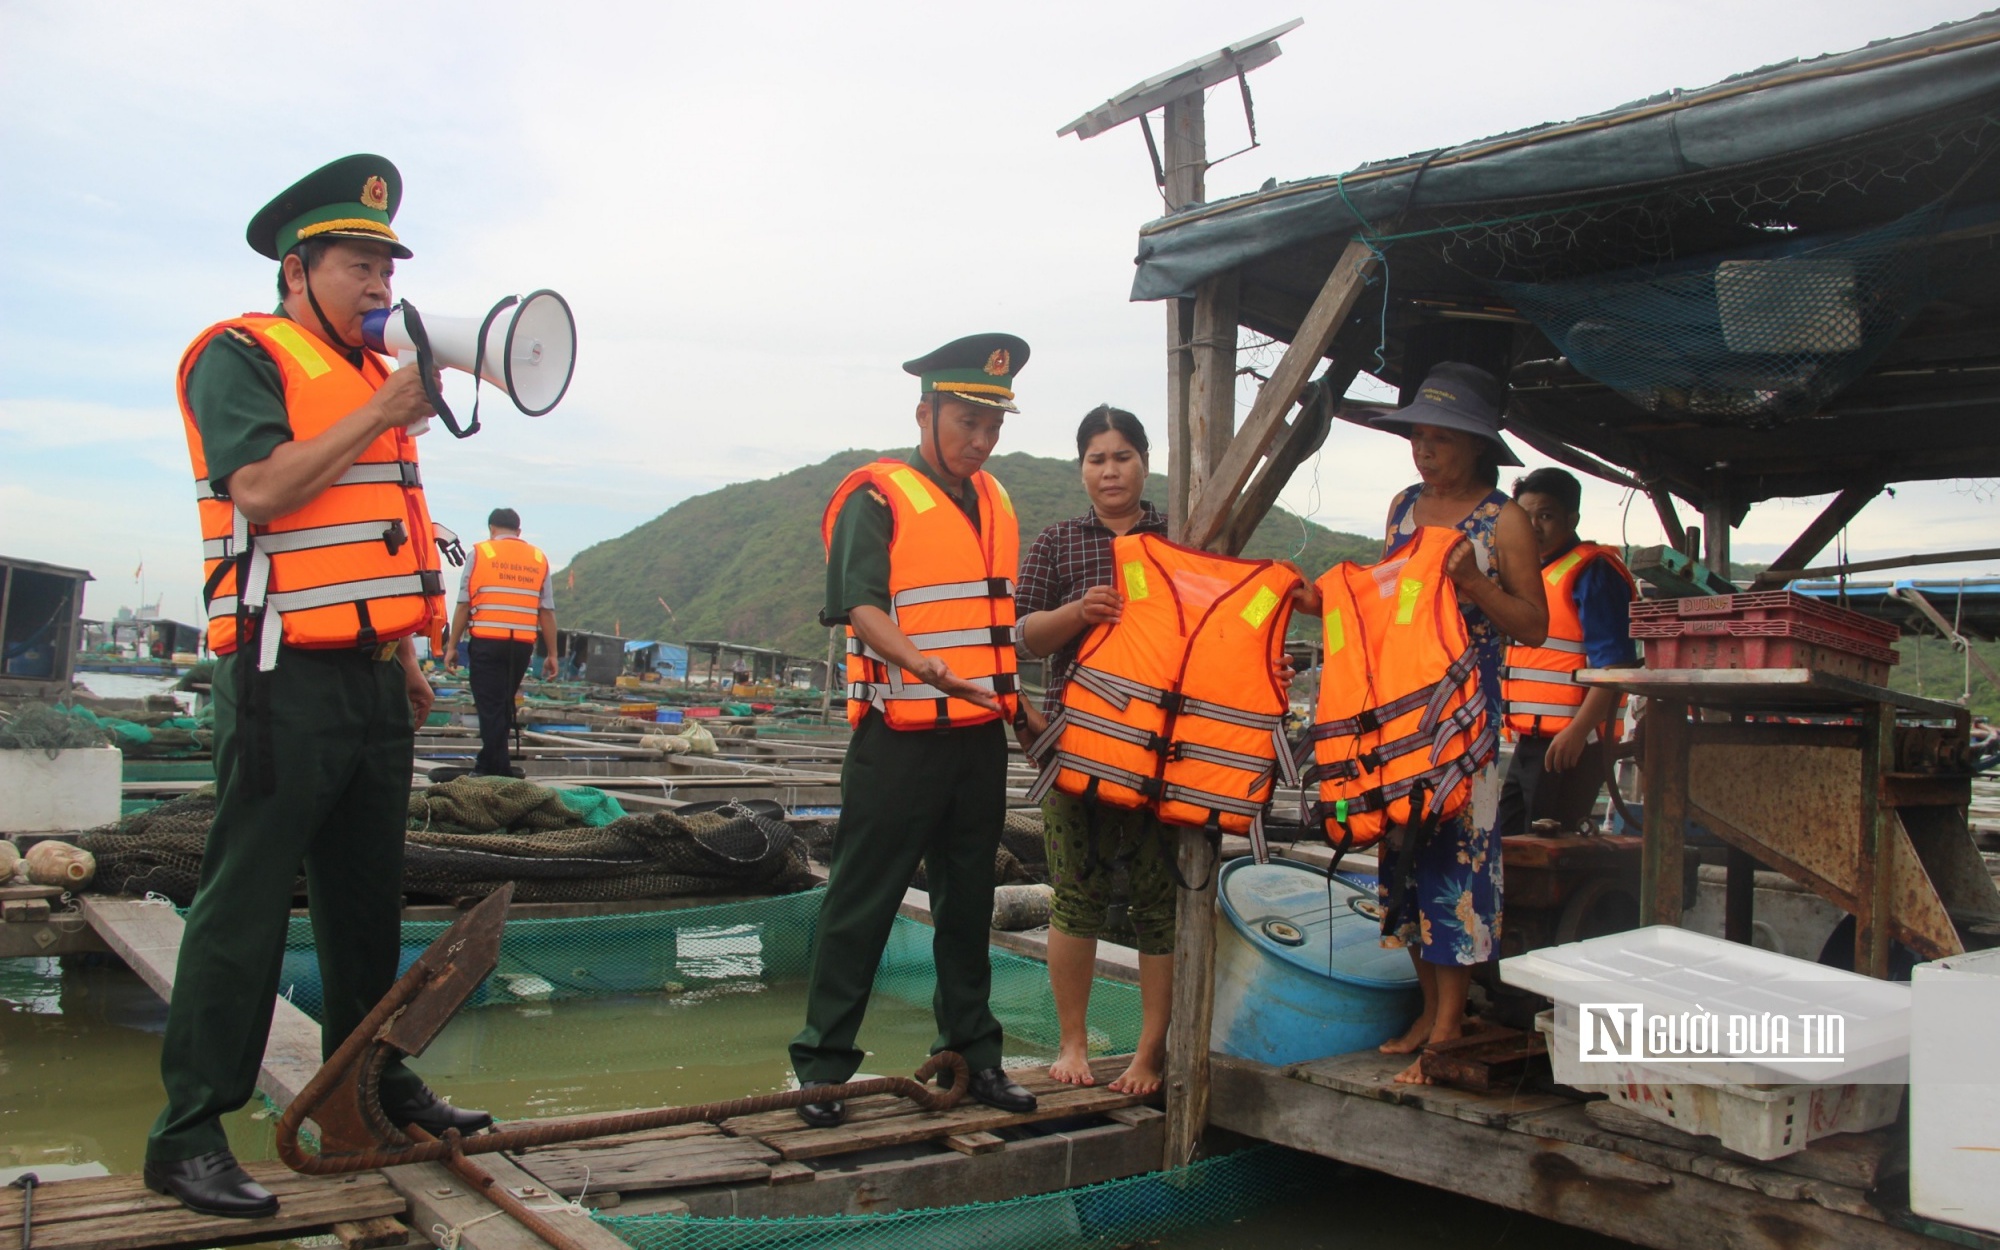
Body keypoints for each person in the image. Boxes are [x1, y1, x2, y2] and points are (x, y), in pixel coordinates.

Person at [150, 155, 490, 1218]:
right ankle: (189, 1130)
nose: (379, 283)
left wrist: (403, 653)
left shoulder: (364, 378)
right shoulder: (241, 354)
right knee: (245, 902)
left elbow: (369, 540)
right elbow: (259, 491)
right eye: (358, 263)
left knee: (361, 904)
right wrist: (383, 403)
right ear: (299, 270)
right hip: (276, 672)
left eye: (387, 264)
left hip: (370, 680)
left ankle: (370, 1087)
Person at [790, 333, 1040, 1127]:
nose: (982, 440)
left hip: (978, 740)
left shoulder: (997, 500)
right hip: (898, 736)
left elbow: (995, 627)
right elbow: (860, 607)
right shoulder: (876, 498)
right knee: (863, 901)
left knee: (968, 904)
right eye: (967, 421)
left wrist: (1021, 707)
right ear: (926, 411)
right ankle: (823, 1070)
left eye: (994, 425)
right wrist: (924, 665)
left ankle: (975, 1058)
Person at [1365, 362, 1548, 1085]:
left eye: (1443, 438)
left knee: (1460, 863)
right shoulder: (1403, 506)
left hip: (1468, 717)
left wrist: (1474, 581)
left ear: (1477, 447)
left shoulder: (1504, 520)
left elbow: (1531, 623)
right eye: (1419, 435)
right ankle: (1427, 1008)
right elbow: (1385, 599)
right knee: (1403, 857)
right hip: (1401, 714)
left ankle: (1448, 1027)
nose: (1426, 450)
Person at [1014, 406, 1173, 1095]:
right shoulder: (1058, 543)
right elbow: (1022, 635)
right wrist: (1078, 613)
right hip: (1075, 748)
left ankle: (1149, 1052)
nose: (1110, 471)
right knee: (1073, 896)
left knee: (1157, 901)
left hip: (1164, 752)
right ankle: (1072, 1042)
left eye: (1122, 456)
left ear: (1145, 461)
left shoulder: (1180, 536)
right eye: (1096, 459)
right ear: (1081, 468)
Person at [1497, 468, 1640, 837]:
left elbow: (1616, 666)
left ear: (1571, 519)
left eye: (1545, 516)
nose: (1533, 527)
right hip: (1532, 742)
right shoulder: (1535, 574)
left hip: (1572, 744)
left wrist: (1578, 732)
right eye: (1525, 516)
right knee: (1510, 844)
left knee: (1548, 849)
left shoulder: (1593, 573)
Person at [443, 508, 557, 777]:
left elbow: (463, 605)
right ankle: (497, 765)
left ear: (492, 529)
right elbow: (547, 611)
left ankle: (490, 769)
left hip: (486, 641)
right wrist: (552, 653)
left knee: (489, 705)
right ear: (519, 532)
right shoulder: (538, 558)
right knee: (503, 704)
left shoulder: (481, 553)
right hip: (521, 646)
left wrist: (451, 646)